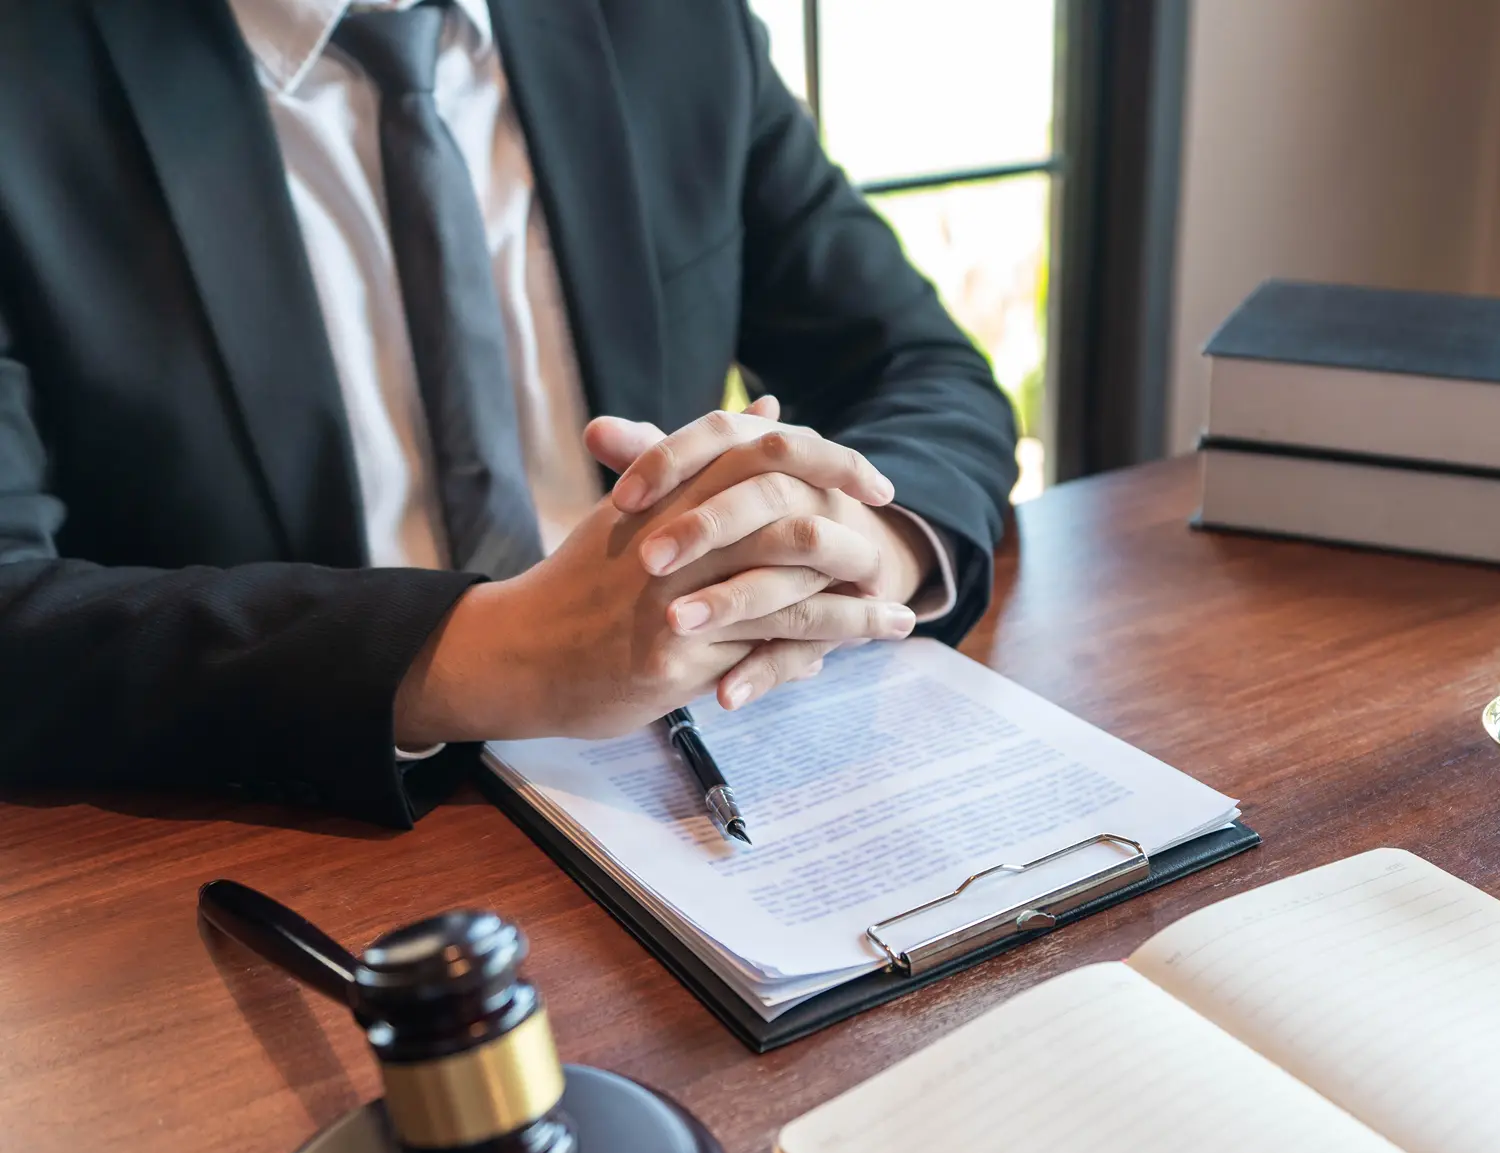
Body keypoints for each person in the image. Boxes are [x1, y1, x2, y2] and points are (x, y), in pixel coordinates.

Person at [0, 0, 1017, 827]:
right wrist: (485, 655)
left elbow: (920, 366)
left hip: (694, 765)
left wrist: (857, 545)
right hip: (278, 822)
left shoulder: (671, 25)